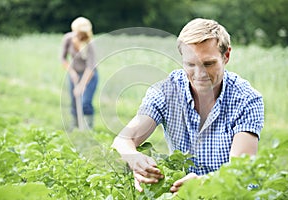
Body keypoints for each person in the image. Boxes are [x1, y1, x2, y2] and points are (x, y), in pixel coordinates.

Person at [111, 18, 264, 193]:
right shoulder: (166, 92)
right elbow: (123, 141)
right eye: (190, 64)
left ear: (226, 56)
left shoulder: (246, 99)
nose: (200, 74)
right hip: (184, 192)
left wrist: (205, 182)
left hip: (234, 193)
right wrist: (135, 159)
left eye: (208, 64)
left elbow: (240, 170)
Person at [61, 16, 98, 131]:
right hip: (74, 74)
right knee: (73, 101)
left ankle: (88, 128)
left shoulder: (90, 44)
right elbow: (62, 59)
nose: (80, 35)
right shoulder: (67, 39)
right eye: (78, 32)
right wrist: (72, 73)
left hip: (89, 76)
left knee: (85, 102)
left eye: (82, 33)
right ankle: (75, 127)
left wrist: (82, 86)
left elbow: (90, 68)